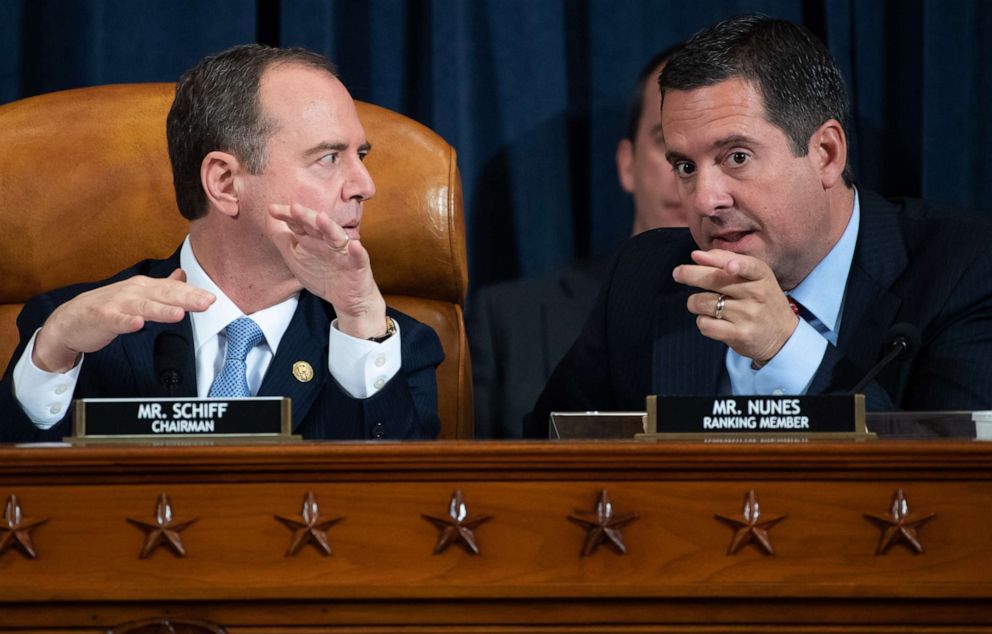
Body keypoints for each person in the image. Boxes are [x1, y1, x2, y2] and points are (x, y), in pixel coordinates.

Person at [525, 14, 992, 438]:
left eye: (737, 157)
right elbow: (547, 457)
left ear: (826, 154)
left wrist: (784, 347)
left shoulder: (963, 269)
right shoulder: (646, 276)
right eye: (685, 166)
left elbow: (954, 489)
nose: (706, 200)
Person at [0, 45, 443, 442]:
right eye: (329, 158)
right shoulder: (77, 336)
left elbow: (403, 514)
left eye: (360, 156)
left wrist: (361, 320)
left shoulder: (390, 344)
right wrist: (52, 356)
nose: (365, 185)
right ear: (226, 182)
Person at [469, 47, 686, 438]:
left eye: (726, 156)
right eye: (670, 148)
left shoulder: (795, 319)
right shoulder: (510, 320)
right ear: (626, 164)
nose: (691, 179)